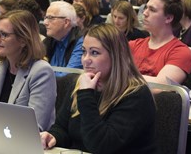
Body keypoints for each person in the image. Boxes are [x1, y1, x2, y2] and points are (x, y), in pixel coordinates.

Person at [40, 23, 156, 154]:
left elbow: (101, 146)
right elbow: (62, 127)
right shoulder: (80, 84)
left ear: (115, 56)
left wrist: (86, 95)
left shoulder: (136, 94)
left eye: (94, 53)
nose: (85, 60)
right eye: (84, 52)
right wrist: (54, 136)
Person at [129, 0, 191, 84]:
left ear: (168, 18)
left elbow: (160, 86)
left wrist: (122, 78)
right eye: (146, 8)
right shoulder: (133, 45)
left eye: (152, 10)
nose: (145, 13)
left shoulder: (180, 52)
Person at [43, 1, 84, 75]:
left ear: (66, 22)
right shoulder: (49, 40)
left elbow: (68, 76)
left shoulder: (81, 42)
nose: (45, 22)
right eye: (45, 17)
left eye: (50, 18)